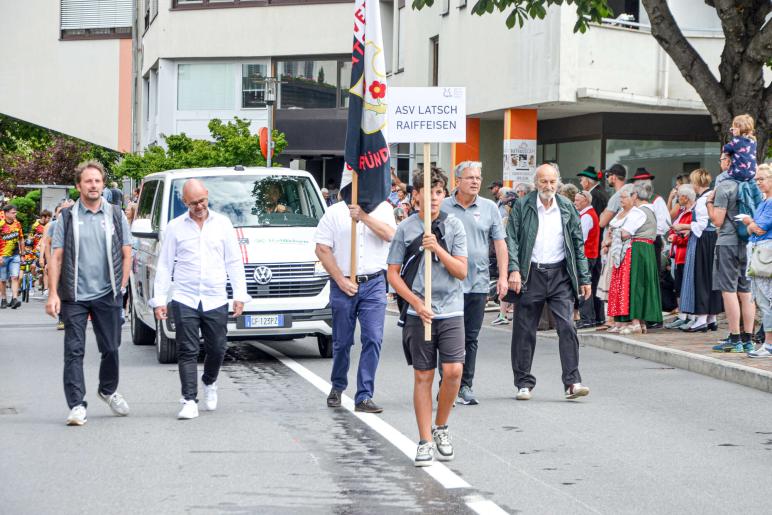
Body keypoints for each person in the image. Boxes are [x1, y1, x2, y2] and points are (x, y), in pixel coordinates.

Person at [387, 166, 467, 466]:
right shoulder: (405, 229)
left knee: (454, 371)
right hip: (418, 311)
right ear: (416, 195)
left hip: (451, 309)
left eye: (438, 192)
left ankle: (441, 425)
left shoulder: (453, 226)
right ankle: (424, 440)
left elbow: (461, 271)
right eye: (427, 192)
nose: (434, 198)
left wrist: (437, 248)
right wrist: (415, 303)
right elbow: (393, 274)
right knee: (423, 375)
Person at [150, 179, 250, 420]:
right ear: (185, 202)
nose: (199, 206)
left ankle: (209, 381)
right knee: (187, 350)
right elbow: (164, 265)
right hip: (185, 297)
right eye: (193, 203)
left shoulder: (223, 224)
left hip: (215, 297)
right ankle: (188, 400)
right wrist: (160, 299)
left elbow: (234, 261)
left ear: (207, 196)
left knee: (217, 348)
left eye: (202, 201)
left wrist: (240, 295)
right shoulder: (175, 227)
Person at [45, 160, 132, 426]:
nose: (93, 185)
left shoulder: (115, 214)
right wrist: (53, 294)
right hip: (74, 295)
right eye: (88, 181)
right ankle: (76, 405)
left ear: (102, 184)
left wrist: (121, 287)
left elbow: (126, 252)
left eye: (97, 181)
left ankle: (107, 390)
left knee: (111, 348)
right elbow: (56, 257)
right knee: (74, 350)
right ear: (78, 186)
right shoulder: (67, 217)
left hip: (107, 293)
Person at [506, 164, 592, 401]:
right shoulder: (523, 205)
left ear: (558, 183)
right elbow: (511, 239)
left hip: (559, 275)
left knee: (567, 326)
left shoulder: (566, 207)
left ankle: (572, 382)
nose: (548, 186)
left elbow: (577, 244)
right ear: (536, 182)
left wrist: (584, 278)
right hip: (530, 273)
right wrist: (514, 269)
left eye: (552, 182)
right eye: (544, 181)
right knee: (524, 330)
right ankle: (523, 383)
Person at [315, 184, 396, 414]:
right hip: (343, 284)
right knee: (342, 342)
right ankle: (338, 385)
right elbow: (322, 248)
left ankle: (364, 395)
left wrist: (363, 216)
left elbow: (391, 235)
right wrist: (340, 279)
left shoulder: (384, 209)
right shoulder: (334, 212)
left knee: (373, 338)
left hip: (374, 283)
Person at [440, 161, 507, 405]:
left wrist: (502, 276)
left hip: (477, 282)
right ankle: (446, 383)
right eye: (470, 177)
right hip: (447, 282)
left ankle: (466, 385)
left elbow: (500, 244)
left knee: (471, 337)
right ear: (457, 180)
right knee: (445, 336)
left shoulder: (489, 207)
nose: (475, 182)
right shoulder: (444, 206)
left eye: (478, 177)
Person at [707, 160, 757, 352]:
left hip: (728, 242)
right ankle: (748, 339)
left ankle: (735, 338)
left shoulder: (725, 186)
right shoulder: (751, 184)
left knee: (728, 290)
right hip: (748, 242)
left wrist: (709, 204)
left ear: (729, 162)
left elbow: (718, 221)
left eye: (723, 159)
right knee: (746, 292)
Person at [613, 181, 663, 334]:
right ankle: (641, 323)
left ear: (635, 195)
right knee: (644, 284)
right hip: (648, 248)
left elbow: (625, 233)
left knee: (635, 284)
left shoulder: (638, 211)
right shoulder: (652, 210)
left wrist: (615, 232)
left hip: (637, 248)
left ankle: (635, 322)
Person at [679, 169, 723, 333]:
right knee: (710, 277)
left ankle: (702, 317)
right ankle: (711, 317)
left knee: (702, 277)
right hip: (710, 239)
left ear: (696, 183)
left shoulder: (705, 199)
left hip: (704, 240)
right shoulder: (709, 196)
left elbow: (704, 224)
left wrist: (684, 226)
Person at [741, 163, 772, 357]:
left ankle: (769, 344)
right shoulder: (764, 201)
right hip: (759, 253)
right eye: (757, 179)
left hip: (765, 255)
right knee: (762, 300)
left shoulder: (769, 203)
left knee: (766, 299)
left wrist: (748, 222)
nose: (758, 183)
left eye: (761, 179)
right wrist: (751, 226)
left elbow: (759, 228)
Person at [664, 185, 695, 329]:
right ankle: (682, 314)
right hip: (677, 254)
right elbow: (671, 221)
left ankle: (687, 314)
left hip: (684, 253)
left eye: (680, 196)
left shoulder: (691, 214)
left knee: (683, 285)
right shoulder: (683, 213)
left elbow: (689, 236)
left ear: (686, 198)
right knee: (678, 285)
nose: (678, 199)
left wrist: (675, 239)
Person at [605, 185, 636, 332]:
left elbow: (626, 233)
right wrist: (607, 240)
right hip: (615, 251)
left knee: (623, 286)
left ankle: (625, 320)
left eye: (624, 197)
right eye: (620, 197)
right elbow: (611, 230)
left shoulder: (635, 213)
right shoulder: (619, 213)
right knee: (615, 286)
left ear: (633, 197)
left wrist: (612, 236)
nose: (621, 200)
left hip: (625, 251)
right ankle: (616, 320)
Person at [574, 191, 600, 328]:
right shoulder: (589, 214)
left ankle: (586, 318)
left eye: (578, 200)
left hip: (587, 256)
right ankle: (596, 317)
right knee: (590, 286)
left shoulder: (586, 216)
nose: (575, 202)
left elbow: (580, 239)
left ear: (586, 201)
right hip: (591, 255)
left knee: (585, 287)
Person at [0, 205, 26, 309]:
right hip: (3, 255)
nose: (15, 214)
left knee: (15, 277)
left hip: (15, 255)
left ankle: (15, 299)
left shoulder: (17, 224)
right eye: (13, 212)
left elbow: (21, 239)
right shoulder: (1, 224)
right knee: (3, 279)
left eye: (15, 212)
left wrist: (23, 254)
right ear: (6, 213)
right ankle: (3, 299)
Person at [723, 114, 757, 182]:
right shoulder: (753, 141)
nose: (732, 131)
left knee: (721, 178)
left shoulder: (736, 141)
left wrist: (735, 137)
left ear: (736, 130)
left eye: (732, 129)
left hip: (737, 174)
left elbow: (725, 149)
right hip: (752, 175)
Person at [599, 164, 627, 229]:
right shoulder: (629, 193)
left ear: (614, 177)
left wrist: (602, 213)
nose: (607, 179)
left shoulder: (616, 197)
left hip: (613, 237)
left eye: (607, 175)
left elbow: (602, 223)